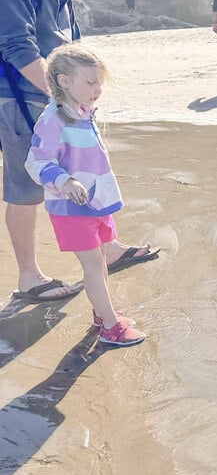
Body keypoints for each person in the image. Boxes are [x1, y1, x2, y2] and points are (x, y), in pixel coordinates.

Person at [1, 0, 158, 303]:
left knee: (86, 170)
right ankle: (29, 278)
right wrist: (64, 98)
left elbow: (65, 40)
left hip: (60, 98)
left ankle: (107, 248)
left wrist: (81, 91)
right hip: (22, 100)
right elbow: (19, 48)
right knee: (26, 186)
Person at [25, 46, 146, 345]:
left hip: (95, 203)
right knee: (93, 265)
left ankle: (102, 313)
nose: (98, 89)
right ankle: (110, 327)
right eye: (91, 82)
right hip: (72, 207)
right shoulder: (53, 119)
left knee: (101, 260)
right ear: (64, 81)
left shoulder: (81, 111)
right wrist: (64, 181)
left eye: (100, 82)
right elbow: (36, 161)